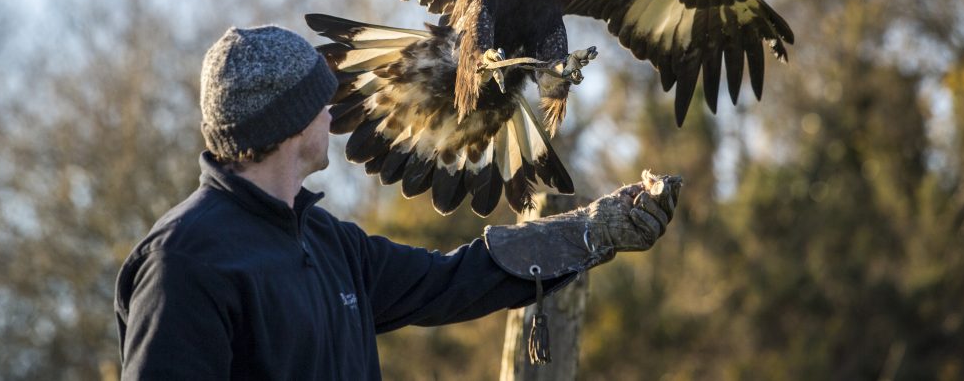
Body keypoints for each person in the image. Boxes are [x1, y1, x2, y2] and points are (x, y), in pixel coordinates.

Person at [115, 25, 679, 380]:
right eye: (319, 101)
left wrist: (592, 231)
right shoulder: (183, 263)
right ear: (286, 123)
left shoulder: (328, 244)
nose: (332, 113)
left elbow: (456, 279)